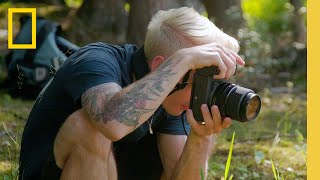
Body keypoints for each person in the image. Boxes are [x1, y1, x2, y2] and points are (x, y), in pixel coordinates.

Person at [19, 7, 245, 180]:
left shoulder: (176, 98)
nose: (203, 93)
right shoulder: (96, 61)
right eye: (201, 81)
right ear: (162, 66)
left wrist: (200, 137)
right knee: (90, 126)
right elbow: (111, 122)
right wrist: (182, 61)